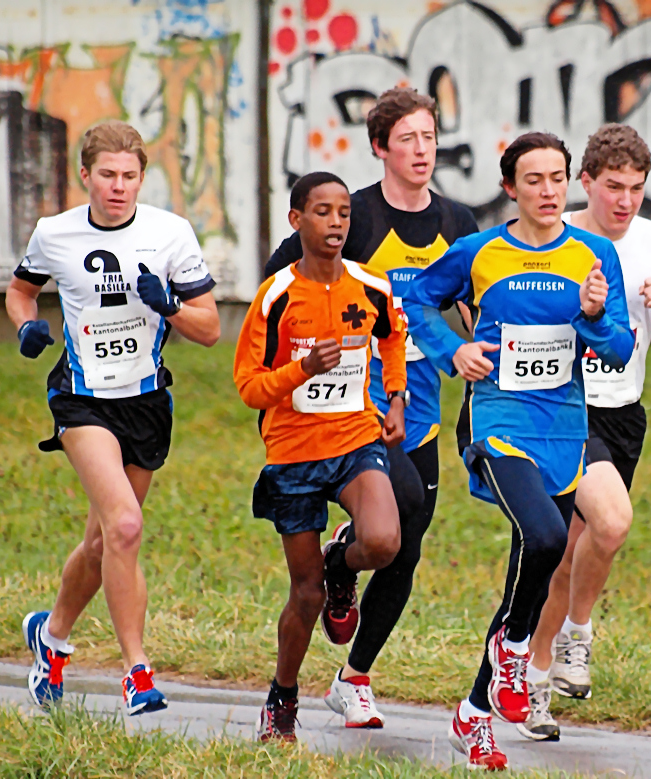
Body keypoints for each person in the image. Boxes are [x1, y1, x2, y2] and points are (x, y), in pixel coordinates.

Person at [404, 132, 635, 770]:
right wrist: (453, 349)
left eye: (557, 178)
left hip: (565, 427)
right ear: (511, 188)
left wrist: (592, 316)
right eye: (533, 180)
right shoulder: (477, 252)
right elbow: (414, 299)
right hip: (499, 421)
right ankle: (514, 649)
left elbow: (617, 349)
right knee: (547, 539)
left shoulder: (594, 254)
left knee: (526, 569)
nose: (548, 191)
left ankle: (473, 715)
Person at [266, 87, 478, 727]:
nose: (422, 150)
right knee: (403, 501)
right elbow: (280, 287)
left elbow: (472, 301)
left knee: (407, 550)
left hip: (421, 404)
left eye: (430, 137)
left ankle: (354, 676)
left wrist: (476, 351)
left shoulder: (457, 223)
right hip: (355, 408)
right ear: (381, 147)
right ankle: (342, 556)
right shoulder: (349, 215)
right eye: (408, 139)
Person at [6, 120, 220, 715]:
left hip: (146, 403)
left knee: (102, 542)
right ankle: (138, 672)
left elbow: (210, 329)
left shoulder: (170, 234)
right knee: (124, 525)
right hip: (81, 399)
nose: (119, 187)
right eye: (107, 175)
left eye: (129, 176)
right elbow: (20, 289)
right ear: (85, 176)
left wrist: (168, 305)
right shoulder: (55, 233)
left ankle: (50, 636)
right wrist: (27, 325)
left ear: (143, 178)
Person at [518, 124, 651, 741]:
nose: (625, 201)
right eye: (613, 187)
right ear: (586, 183)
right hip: (560, 410)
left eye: (636, 188)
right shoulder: (558, 237)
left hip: (624, 414)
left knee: (573, 548)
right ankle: (575, 636)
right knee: (606, 523)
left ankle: (533, 675)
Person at [234, 171, 409, 743]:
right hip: (293, 455)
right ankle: (282, 698)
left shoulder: (370, 286)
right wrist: (301, 370)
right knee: (306, 595)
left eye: (343, 214)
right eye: (322, 213)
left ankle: (344, 563)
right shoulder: (276, 297)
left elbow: (392, 337)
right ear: (297, 221)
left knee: (383, 542)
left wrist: (397, 399)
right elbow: (250, 389)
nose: (336, 223)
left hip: (356, 440)